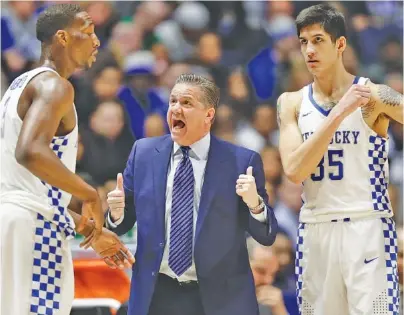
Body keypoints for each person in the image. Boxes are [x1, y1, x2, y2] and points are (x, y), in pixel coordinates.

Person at [105, 73, 278, 315]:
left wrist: (255, 204)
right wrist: (115, 213)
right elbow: (121, 225)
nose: (176, 108)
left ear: (209, 114)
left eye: (186, 103)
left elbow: (266, 235)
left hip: (220, 298)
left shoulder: (240, 161)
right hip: (157, 293)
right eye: (173, 101)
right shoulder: (143, 153)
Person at [0, 4, 134, 315]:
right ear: (62, 37)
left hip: (16, 218)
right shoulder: (54, 85)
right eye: (88, 32)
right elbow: (30, 151)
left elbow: (27, 189)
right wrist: (89, 194)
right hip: (32, 228)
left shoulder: (18, 87)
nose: (97, 40)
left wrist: (91, 231)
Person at [276, 4, 403, 315]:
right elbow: (293, 170)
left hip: (366, 226)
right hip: (315, 228)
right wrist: (339, 113)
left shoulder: (373, 95)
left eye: (318, 40)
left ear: (340, 44)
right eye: (303, 42)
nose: (309, 50)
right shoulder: (291, 103)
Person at [247, 237, 289, 315]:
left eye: (273, 274)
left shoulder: (268, 305)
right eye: (260, 271)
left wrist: (280, 312)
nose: (268, 281)